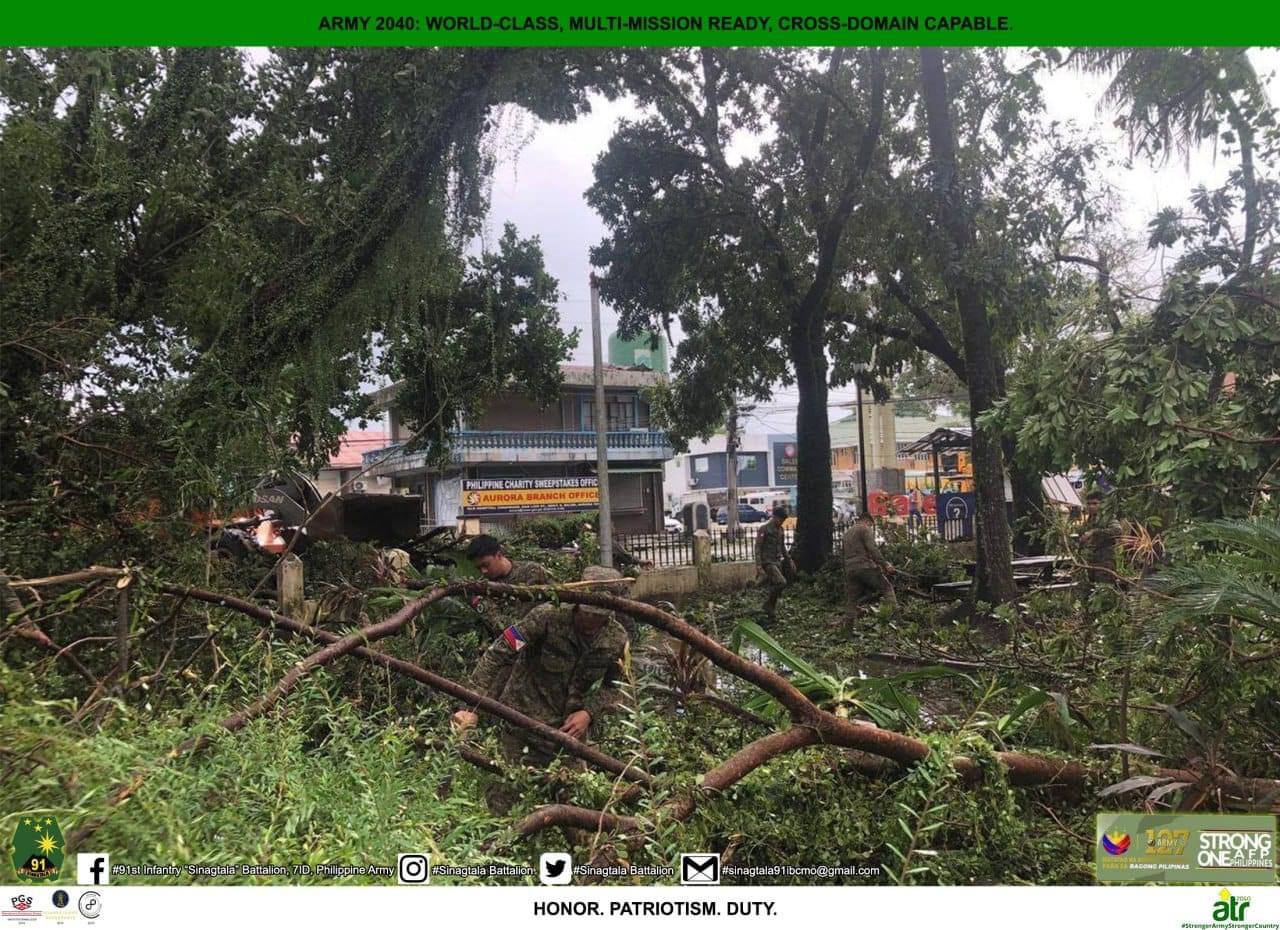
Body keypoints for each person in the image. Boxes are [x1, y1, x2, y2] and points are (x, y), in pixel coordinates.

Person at [451, 567, 629, 773]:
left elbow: (618, 687)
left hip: (568, 735)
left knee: (573, 794)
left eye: (597, 616)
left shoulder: (617, 640)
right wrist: (470, 704)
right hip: (521, 725)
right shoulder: (546, 616)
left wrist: (588, 712)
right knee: (509, 791)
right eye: (586, 613)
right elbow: (500, 652)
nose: (590, 620)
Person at [464, 534, 550, 635]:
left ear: (499, 555)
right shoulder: (482, 589)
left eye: (486, 565)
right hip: (515, 643)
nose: (483, 571)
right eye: (478, 568)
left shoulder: (532, 571)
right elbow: (499, 626)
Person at [841, 512, 897, 619]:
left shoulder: (847, 533)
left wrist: (846, 573)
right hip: (864, 566)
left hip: (850, 569)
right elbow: (872, 549)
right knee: (886, 587)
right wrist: (885, 565)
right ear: (867, 521)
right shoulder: (865, 529)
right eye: (871, 525)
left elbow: (843, 555)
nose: (871, 527)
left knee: (852, 599)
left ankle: (848, 629)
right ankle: (896, 617)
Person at [755, 505, 796, 625]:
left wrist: (789, 560)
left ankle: (770, 613)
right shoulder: (764, 529)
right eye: (780, 519)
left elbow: (782, 547)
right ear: (774, 517)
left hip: (777, 562)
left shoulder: (781, 530)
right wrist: (758, 566)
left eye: (783, 520)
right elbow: (758, 548)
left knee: (777, 586)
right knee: (781, 582)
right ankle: (767, 604)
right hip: (768, 562)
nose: (781, 522)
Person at [1079, 491, 1122, 585]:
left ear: (1102, 504)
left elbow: (1117, 530)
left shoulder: (1108, 518)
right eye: (1089, 504)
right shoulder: (1089, 520)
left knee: (1104, 589)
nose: (1091, 506)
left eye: (1094, 503)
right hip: (1090, 561)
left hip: (1105, 561)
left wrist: (1095, 532)